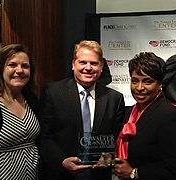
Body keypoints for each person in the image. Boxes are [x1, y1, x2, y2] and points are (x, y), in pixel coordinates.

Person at [38, 40, 125, 180]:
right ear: (73, 64)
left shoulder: (115, 98)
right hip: (61, 175)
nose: (88, 68)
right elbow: (44, 136)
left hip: (98, 175)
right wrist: (62, 160)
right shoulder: (52, 93)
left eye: (94, 63)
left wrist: (108, 157)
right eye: (83, 62)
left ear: (102, 67)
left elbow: (117, 136)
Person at [114, 52, 176, 180]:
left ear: (160, 84)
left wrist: (134, 173)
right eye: (135, 81)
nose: (139, 88)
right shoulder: (129, 112)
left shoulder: (170, 116)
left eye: (147, 82)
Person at [0, 44, 40, 179]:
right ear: (0, 69)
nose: (19, 70)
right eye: (12, 65)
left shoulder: (31, 99)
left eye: (25, 66)